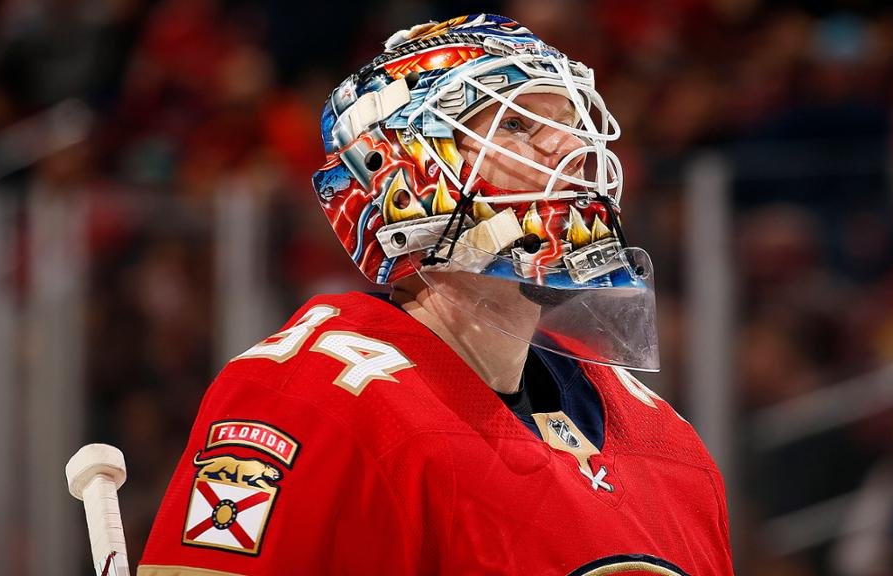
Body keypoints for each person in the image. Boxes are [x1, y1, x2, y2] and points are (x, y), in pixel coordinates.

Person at [140, 14, 733, 575]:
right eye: (517, 125)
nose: (572, 152)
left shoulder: (667, 444)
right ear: (403, 173)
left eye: (571, 125)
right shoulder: (307, 399)